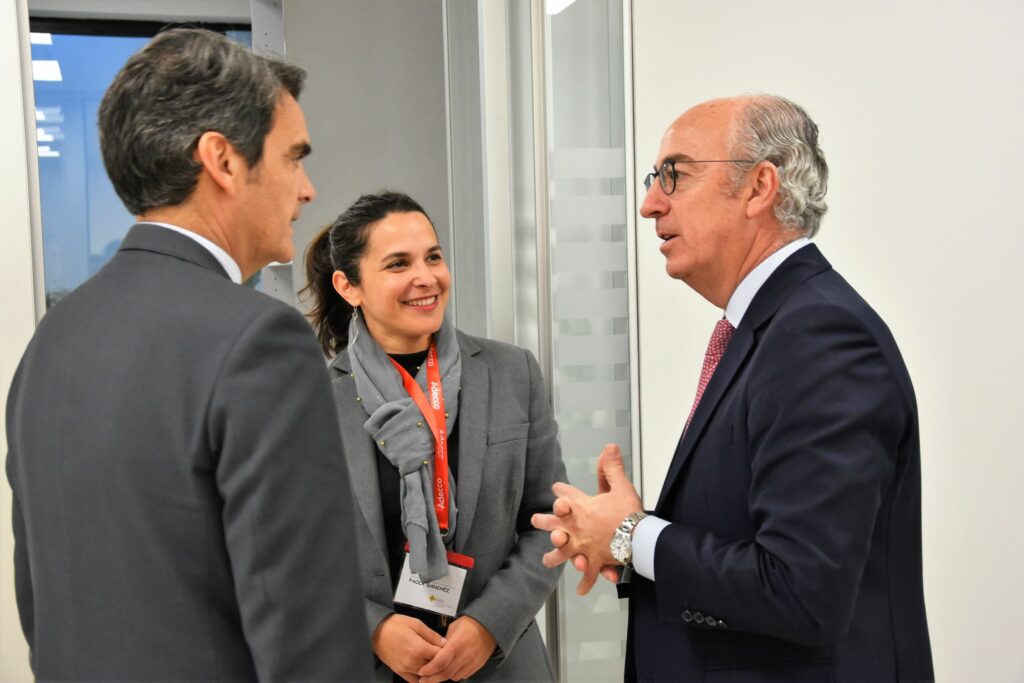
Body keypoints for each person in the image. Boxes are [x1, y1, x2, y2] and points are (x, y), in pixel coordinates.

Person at [5, 28, 371, 680]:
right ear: (223, 161)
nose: (308, 188)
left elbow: (42, 602)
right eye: (293, 158)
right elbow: (310, 643)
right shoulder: (261, 341)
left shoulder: (51, 343)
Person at [532, 94, 934, 682]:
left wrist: (633, 535)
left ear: (759, 187)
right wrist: (634, 542)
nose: (649, 204)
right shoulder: (774, 327)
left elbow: (801, 590)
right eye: (654, 178)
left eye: (675, 175)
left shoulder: (819, 334)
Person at [303, 190, 565, 682]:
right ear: (348, 286)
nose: (425, 278)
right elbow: (291, 557)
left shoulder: (512, 372)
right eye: (398, 264)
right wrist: (375, 630)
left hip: (501, 664)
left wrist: (490, 623)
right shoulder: (309, 401)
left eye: (433, 257)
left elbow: (548, 522)